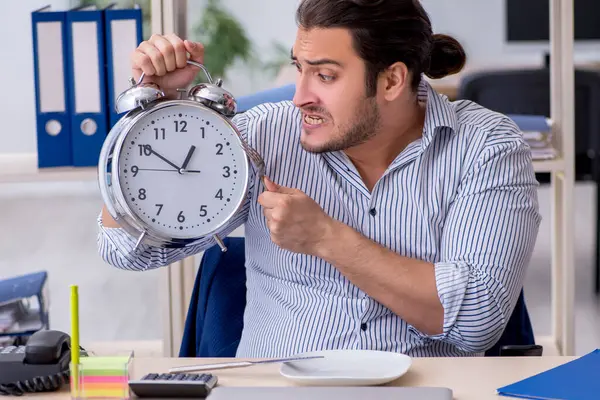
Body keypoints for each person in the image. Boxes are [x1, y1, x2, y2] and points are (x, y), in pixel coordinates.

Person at [98, 0, 541, 358]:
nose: (300, 96)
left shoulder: (487, 148)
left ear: (391, 80)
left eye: (325, 75)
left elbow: (478, 321)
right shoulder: (262, 137)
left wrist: (327, 238)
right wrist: (158, 112)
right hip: (276, 391)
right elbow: (126, 251)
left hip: (419, 389)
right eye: (299, 68)